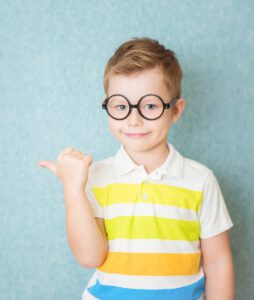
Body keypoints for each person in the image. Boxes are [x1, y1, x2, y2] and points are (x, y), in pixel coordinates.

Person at [37, 37, 234, 300]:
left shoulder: (200, 180)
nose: (133, 119)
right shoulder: (95, 177)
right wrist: (73, 189)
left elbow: (218, 265)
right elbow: (90, 256)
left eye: (150, 105)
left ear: (175, 110)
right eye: (120, 106)